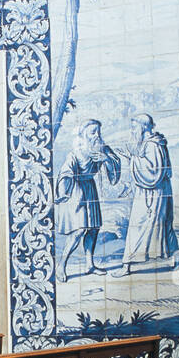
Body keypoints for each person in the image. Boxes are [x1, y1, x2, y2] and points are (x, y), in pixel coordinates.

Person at [113, 114, 179, 277]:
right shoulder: (156, 142)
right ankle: (176, 258)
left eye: (134, 127)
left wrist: (131, 159)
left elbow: (153, 172)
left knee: (138, 226)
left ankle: (126, 266)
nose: (132, 131)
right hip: (157, 191)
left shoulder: (152, 145)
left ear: (143, 127)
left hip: (151, 194)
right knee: (164, 225)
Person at [54, 118, 121, 282]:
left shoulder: (103, 149)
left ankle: (89, 264)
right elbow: (65, 172)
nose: (97, 135)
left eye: (98, 131)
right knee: (78, 230)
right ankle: (61, 265)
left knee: (93, 229)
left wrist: (106, 159)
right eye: (92, 132)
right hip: (77, 191)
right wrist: (65, 186)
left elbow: (115, 165)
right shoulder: (76, 152)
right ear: (83, 135)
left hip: (91, 189)